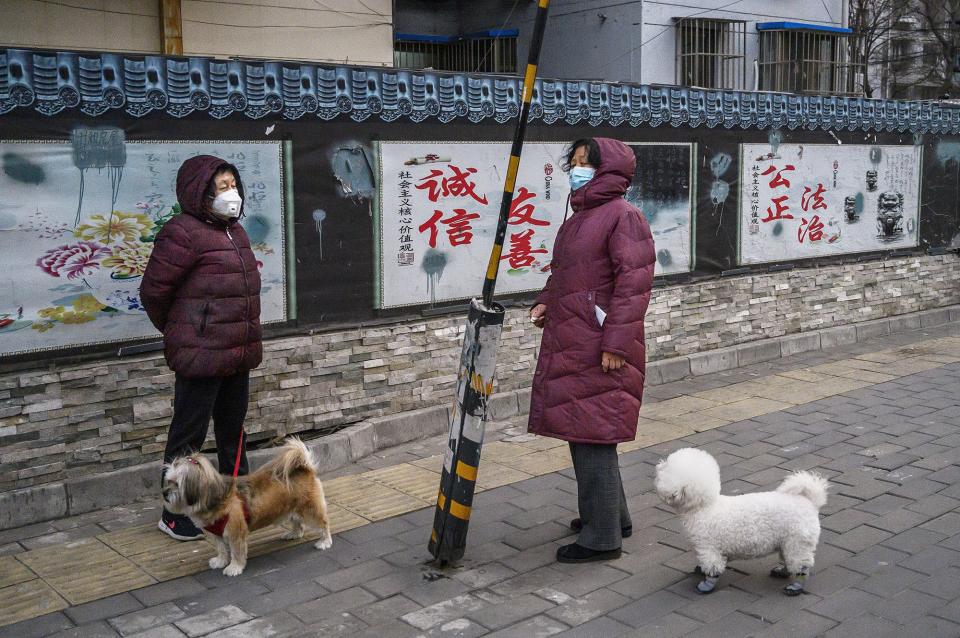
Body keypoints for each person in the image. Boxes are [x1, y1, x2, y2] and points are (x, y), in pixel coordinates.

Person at [528, 137, 655, 563]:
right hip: (576, 337)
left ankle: (601, 539)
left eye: (586, 163)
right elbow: (566, 272)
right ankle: (612, 518)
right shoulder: (580, 217)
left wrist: (617, 344)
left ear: (609, 170)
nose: (577, 168)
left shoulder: (623, 216)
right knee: (589, 431)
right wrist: (546, 299)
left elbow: (634, 285)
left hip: (600, 342)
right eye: (576, 162)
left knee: (593, 435)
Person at [140, 155, 263, 541]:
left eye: (233, 185)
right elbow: (154, 292)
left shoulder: (235, 232)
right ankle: (173, 512)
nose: (233, 193)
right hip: (200, 355)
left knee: (233, 431)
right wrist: (183, 331)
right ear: (201, 192)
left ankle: (237, 501)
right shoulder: (182, 232)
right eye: (222, 187)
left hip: (236, 353)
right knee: (187, 439)